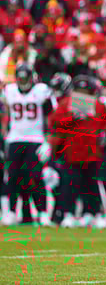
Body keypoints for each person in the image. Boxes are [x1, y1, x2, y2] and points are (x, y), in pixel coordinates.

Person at [47, 75, 106, 228]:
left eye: (85, 91)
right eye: (80, 90)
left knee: (91, 184)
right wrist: (72, 118)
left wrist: (102, 135)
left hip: (91, 152)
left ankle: (90, 213)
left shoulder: (98, 105)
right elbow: (55, 122)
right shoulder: (67, 103)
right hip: (73, 152)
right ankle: (68, 213)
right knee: (70, 184)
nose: (82, 94)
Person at [0, 64, 55, 226]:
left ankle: (43, 213)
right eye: (21, 77)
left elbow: (51, 116)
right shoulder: (9, 90)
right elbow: (5, 115)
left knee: (36, 177)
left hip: (35, 139)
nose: (23, 80)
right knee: (12, 177)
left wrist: (48, 141)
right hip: (14, 138)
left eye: (26, 77)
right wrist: (4, 136)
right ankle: (10, 212)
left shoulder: (41, 91)